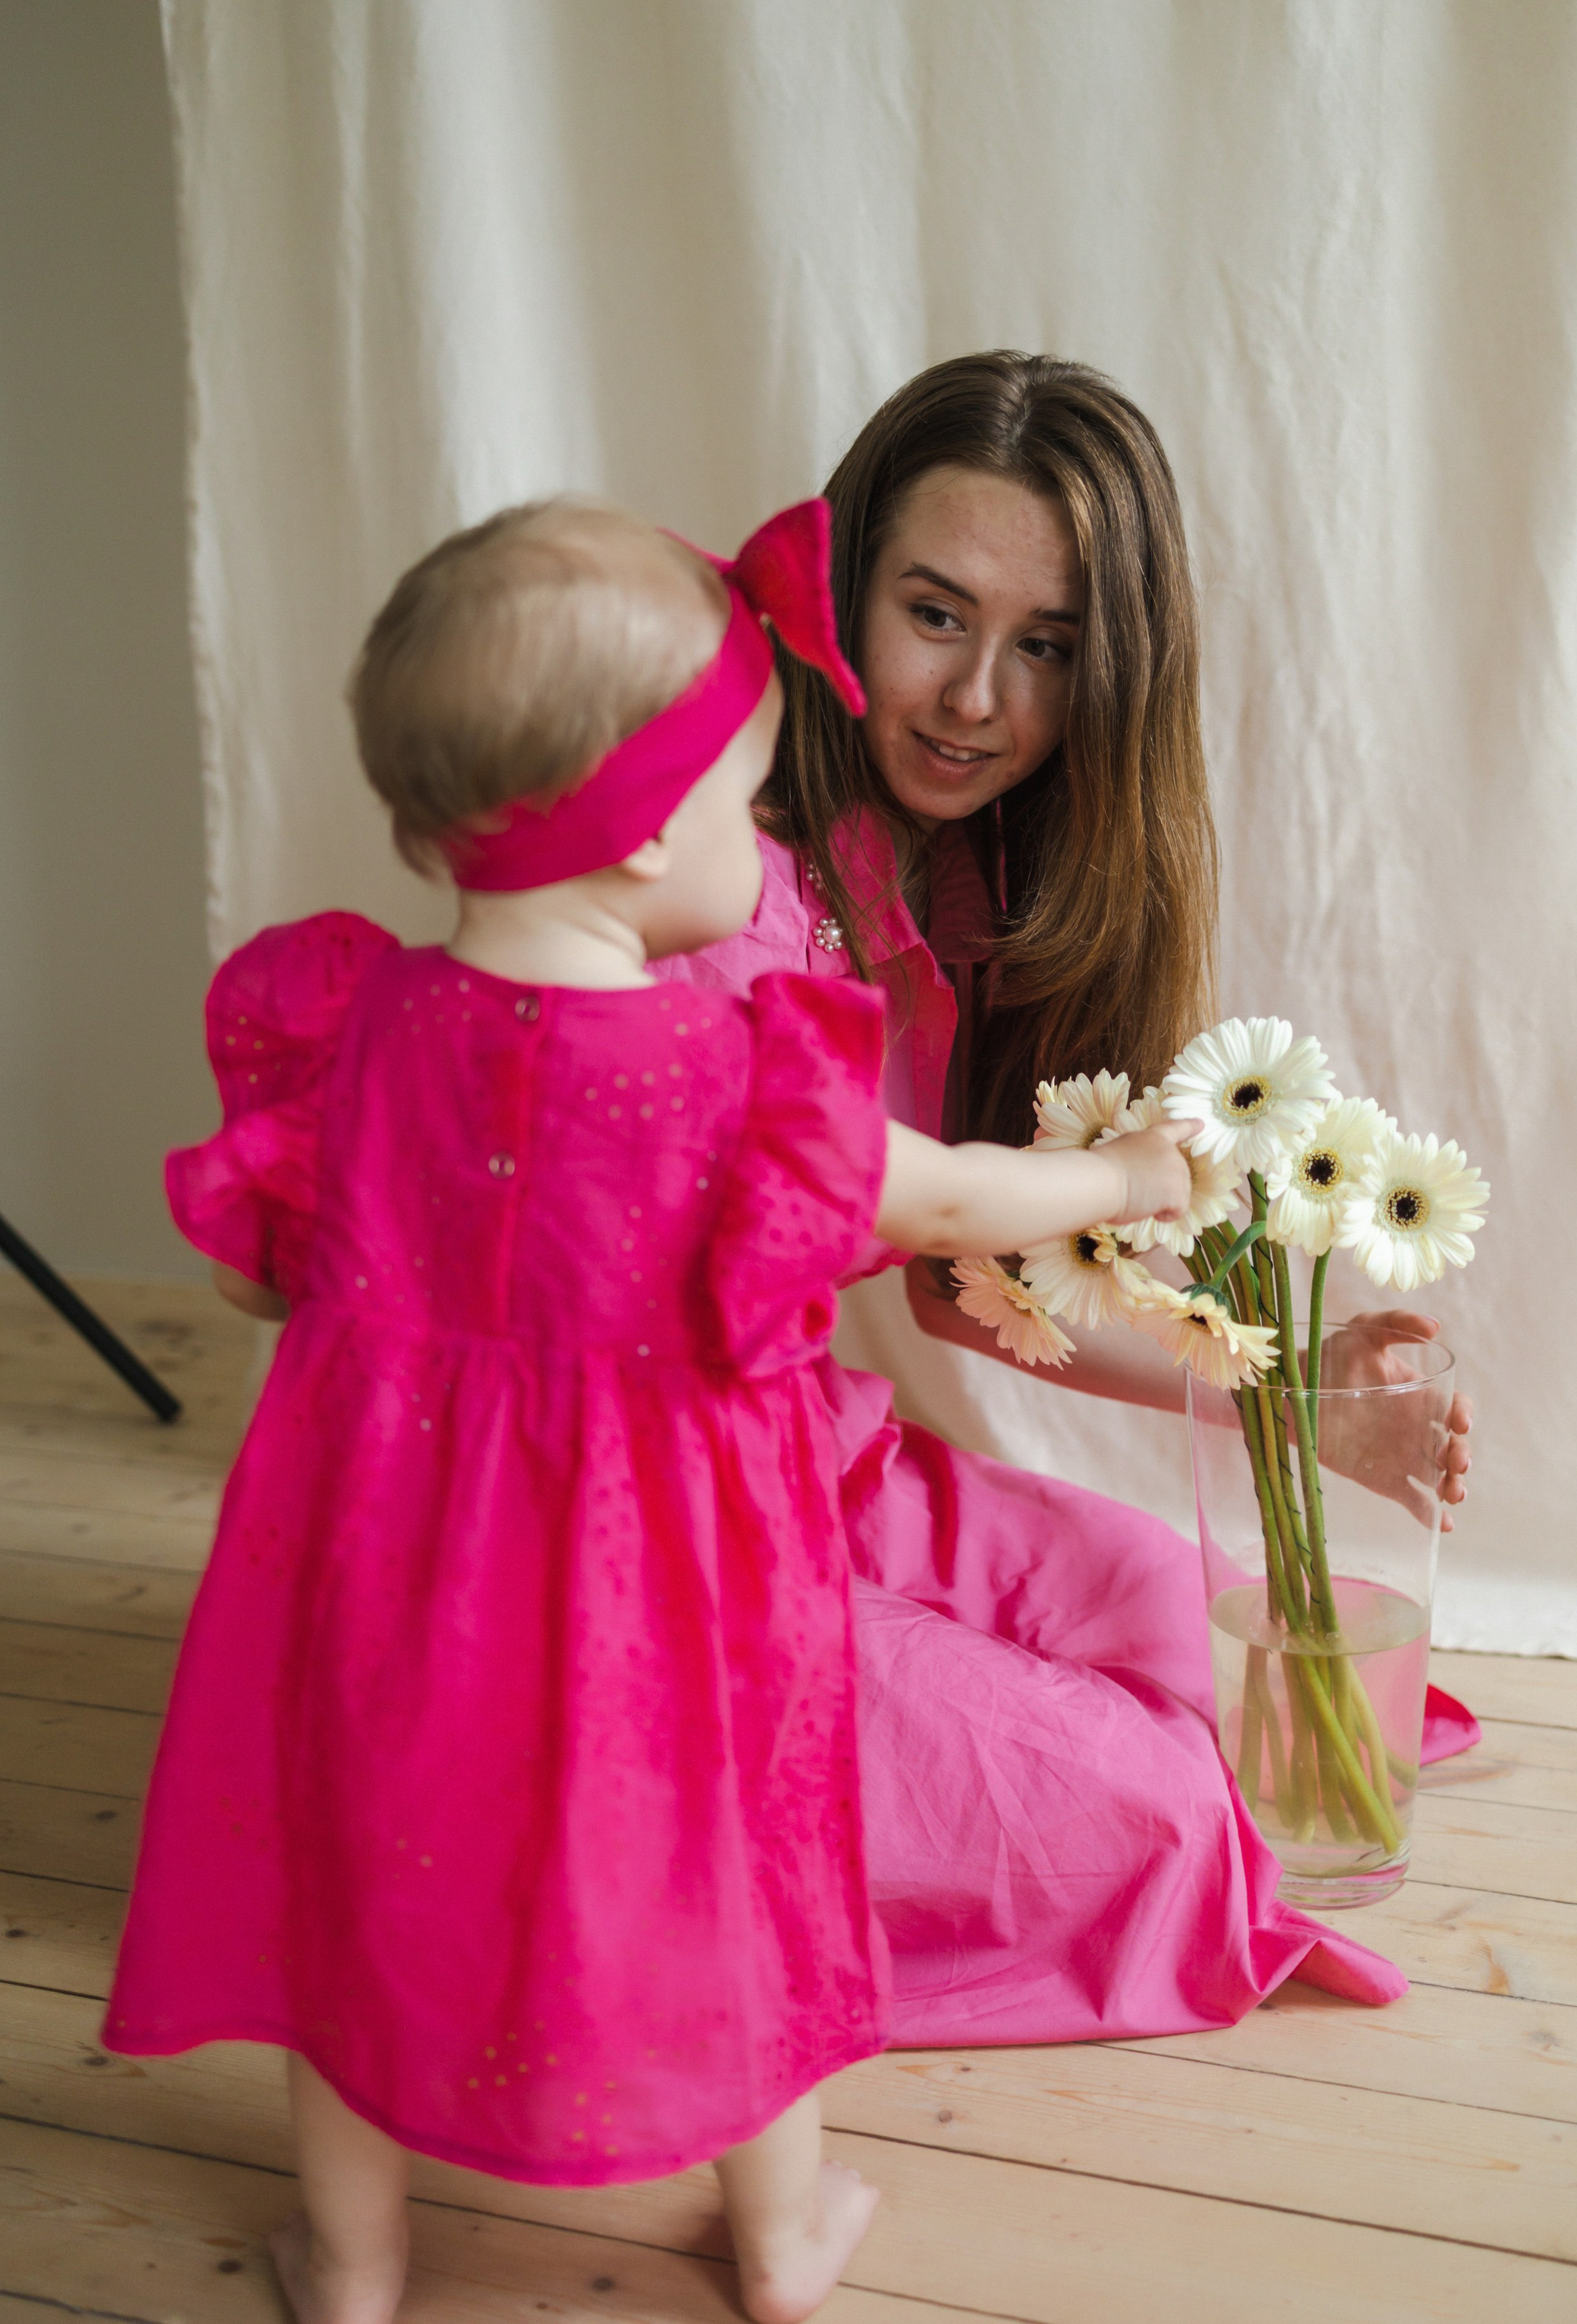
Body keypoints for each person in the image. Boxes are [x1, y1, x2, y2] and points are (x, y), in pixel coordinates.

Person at [103, 495, 1206, 2324]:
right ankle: (779, 2240)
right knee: (731, 1877)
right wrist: (1131, 1177)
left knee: (352, 1891)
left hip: (382, 1578)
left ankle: (354, 2266)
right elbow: (952, 1201)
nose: (760, 835)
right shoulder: (729, 1074)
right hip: (665, 1599)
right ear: (638, 840)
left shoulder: (349, 1030)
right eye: (742, 798)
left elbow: (255, 1279)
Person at [658, 350, 1479, 2045]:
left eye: (1043, 647)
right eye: (932, 615)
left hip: (811, 1462)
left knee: (1214, 1660)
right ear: (836, 593)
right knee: (1163, 1817)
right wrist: (1113, 1173)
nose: (975, 699)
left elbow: (972, 1287)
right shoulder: (715, 884)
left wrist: (1292, 1400)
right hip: (661, 1538)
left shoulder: (957, 877)